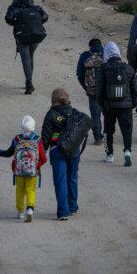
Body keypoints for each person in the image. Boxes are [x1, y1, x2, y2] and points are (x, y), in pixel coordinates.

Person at [96, 42, 137, 166]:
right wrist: (132, 104)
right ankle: (127, 152)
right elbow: (135, 89)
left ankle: (109, 154)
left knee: (108, 130)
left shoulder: (103, 68)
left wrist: (102, 104)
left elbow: (99, 90)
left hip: (109, 106)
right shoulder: (129, 68)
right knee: (127, 129)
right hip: (126, 106)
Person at [42, 88, 81, 221]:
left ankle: (63, 212)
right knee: (72, 178)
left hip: (57, 151)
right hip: (74, 150)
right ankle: (73, 207)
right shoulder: (74, 112)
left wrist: (42, 155)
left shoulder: (50, 114)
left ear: (53, 100)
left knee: (60, 181)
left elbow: (45, 138)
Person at [0, 115, 47, 222]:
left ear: (21, 126)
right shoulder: (37, 140)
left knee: (20, 191)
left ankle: (20, 212)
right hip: (33, 172)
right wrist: (37, 166)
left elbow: (9, 152)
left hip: (19, 171)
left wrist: (0, 152)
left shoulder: (17, 139)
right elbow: (43, 158)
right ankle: (29, 209)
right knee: (31, 191)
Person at [5, 0, 48, 94]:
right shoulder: (36, 8)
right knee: (30, 56)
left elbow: (8, 19)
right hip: (36, 35)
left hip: (22, 36)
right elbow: (45, 17)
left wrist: (17, 23)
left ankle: (29, 83)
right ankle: (29, 81)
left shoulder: (15, 8)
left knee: (26, 59)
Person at [77, 38, 105, 145]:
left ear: (90, 46)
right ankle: (108, 134)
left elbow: (79, 74)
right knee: (109, 113)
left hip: (92, 90)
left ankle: (98, 138)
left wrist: (86, 87)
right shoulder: (107, 53)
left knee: (95, 114)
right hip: (107, 90)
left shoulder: (85, 55)